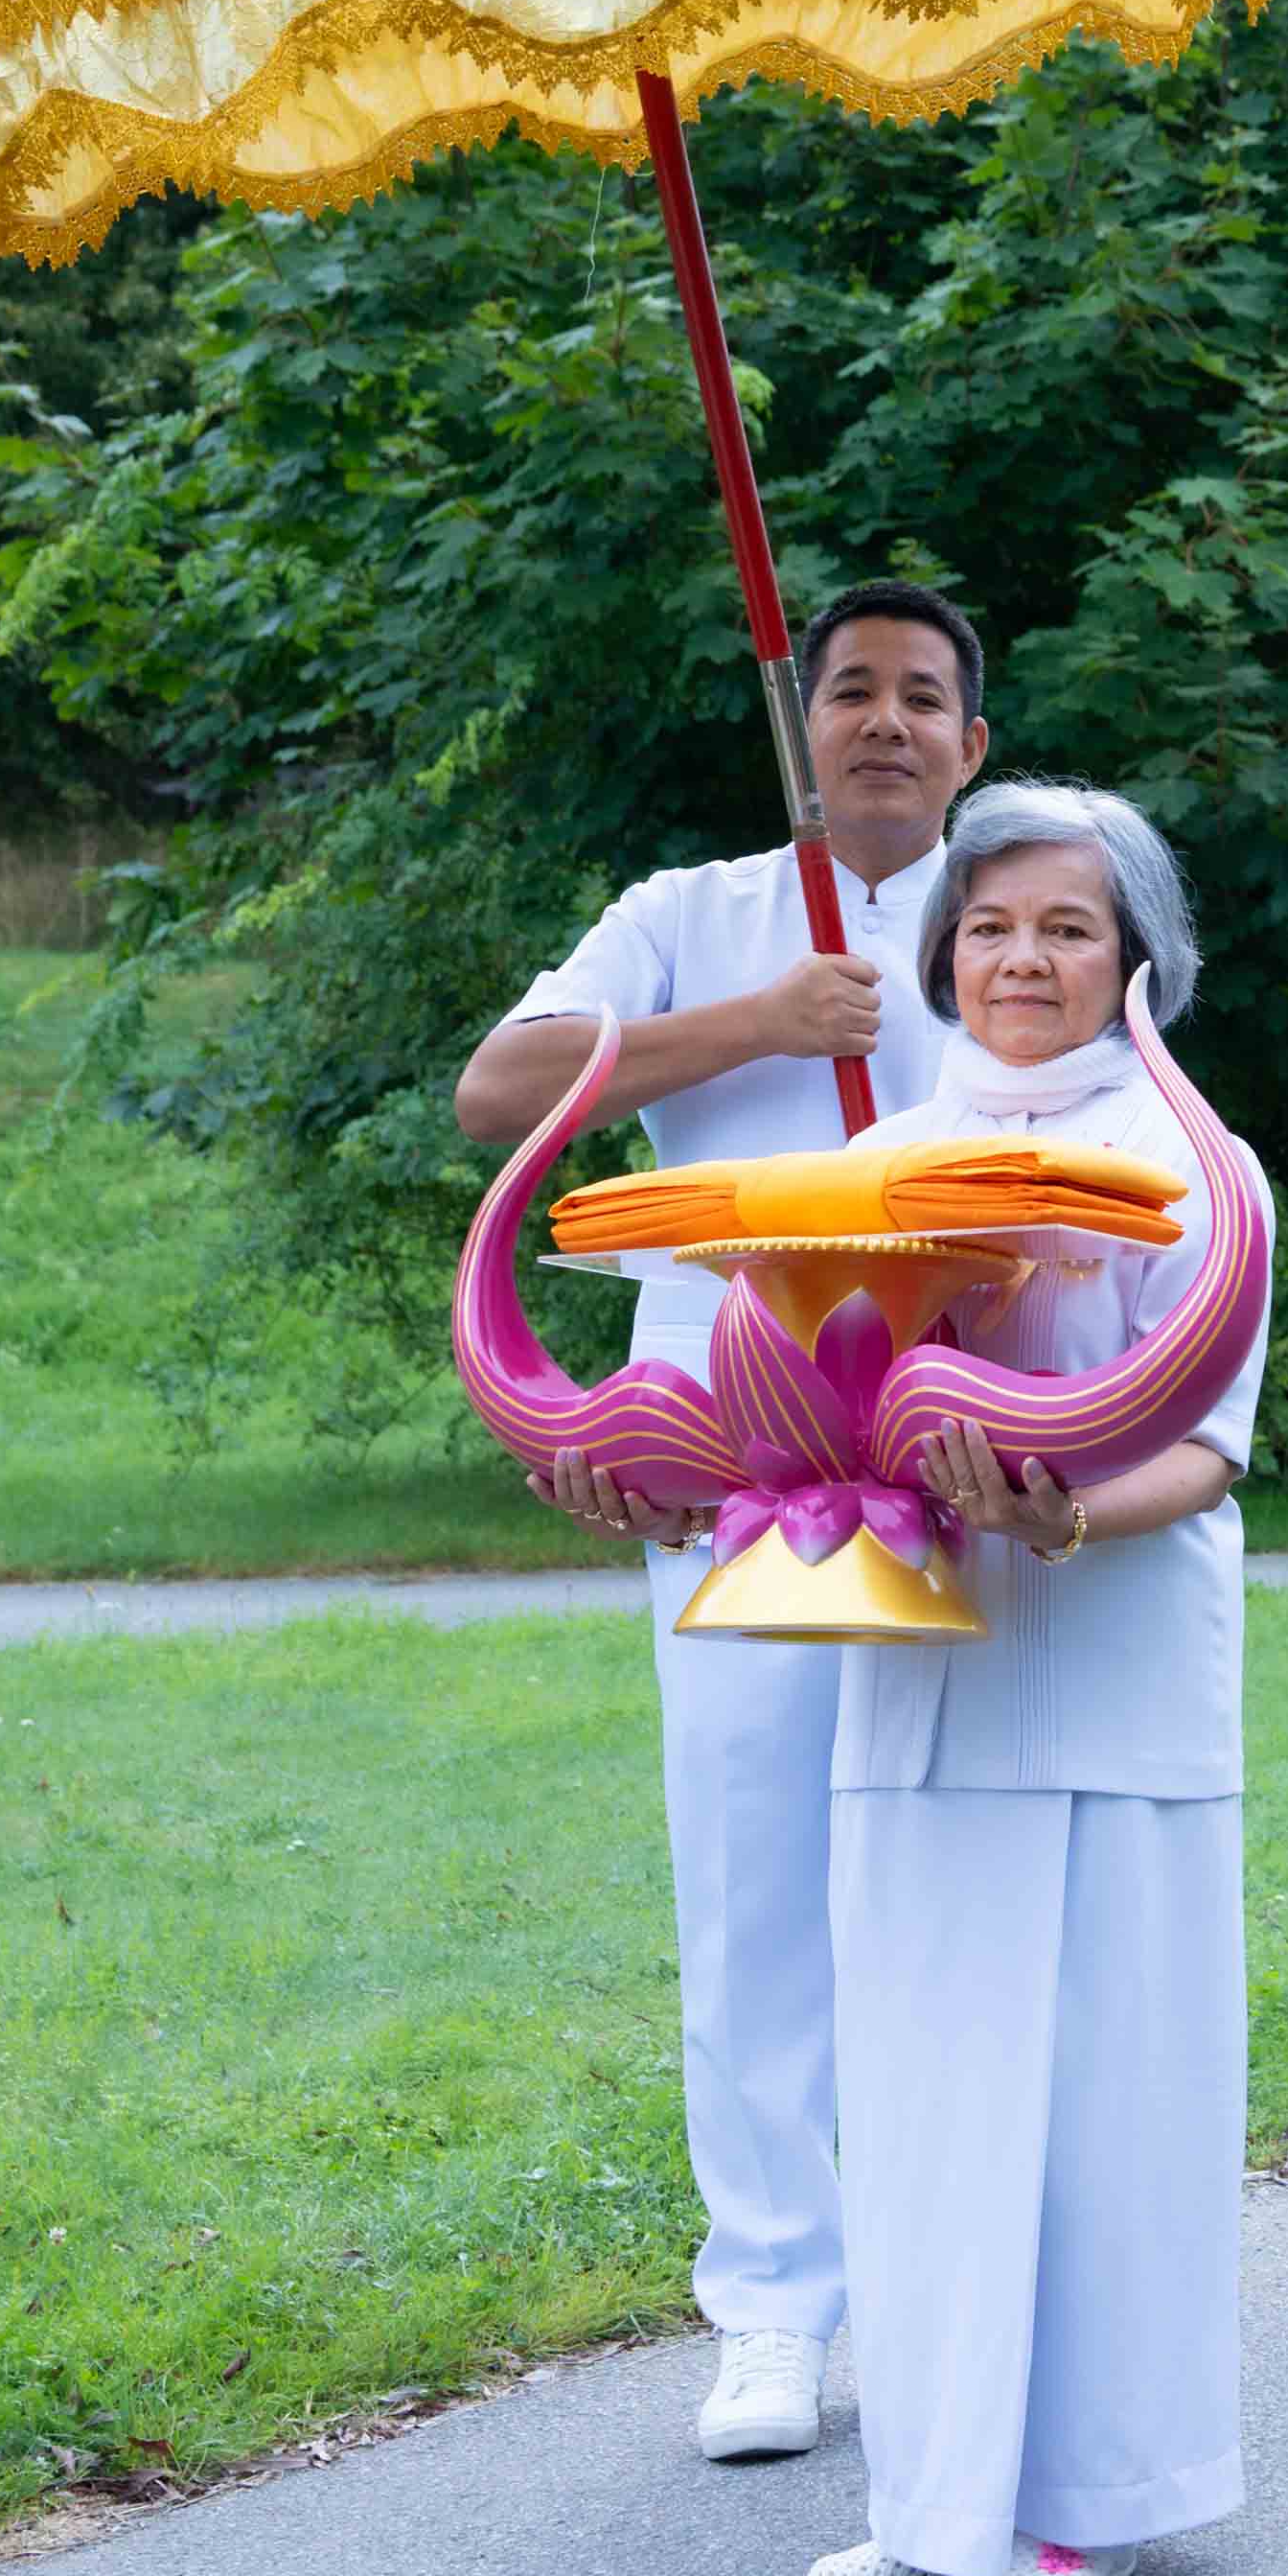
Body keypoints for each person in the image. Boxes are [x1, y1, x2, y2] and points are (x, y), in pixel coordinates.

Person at [452, 580, 985, 2470]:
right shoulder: (695, 919)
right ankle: (773, 2308)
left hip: (966, 1464)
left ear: (971, 746)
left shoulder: (1020, 911)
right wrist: (755, 1021)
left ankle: (953, 2285)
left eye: (924, 700)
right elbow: (495, 1091)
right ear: (802, 729)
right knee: (756, 1889)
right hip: (735, 1472)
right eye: (851, 692)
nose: (885, 726)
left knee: (956, 1892)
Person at [798, 781, 1270, 2576]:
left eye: (1069, 927)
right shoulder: (884, 1155)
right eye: (993, 924)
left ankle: (1096, 2500)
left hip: (1113, 1681)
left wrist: (1062, 1501)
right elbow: (809, 1401)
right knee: (925, 2092)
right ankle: (936, 2492)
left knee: (1105, 2100)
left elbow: (1210, 1448)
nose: (1024, 957)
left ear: (1135, 957)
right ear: (943, 949)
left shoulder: (1192, 1157)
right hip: (915, 1680)